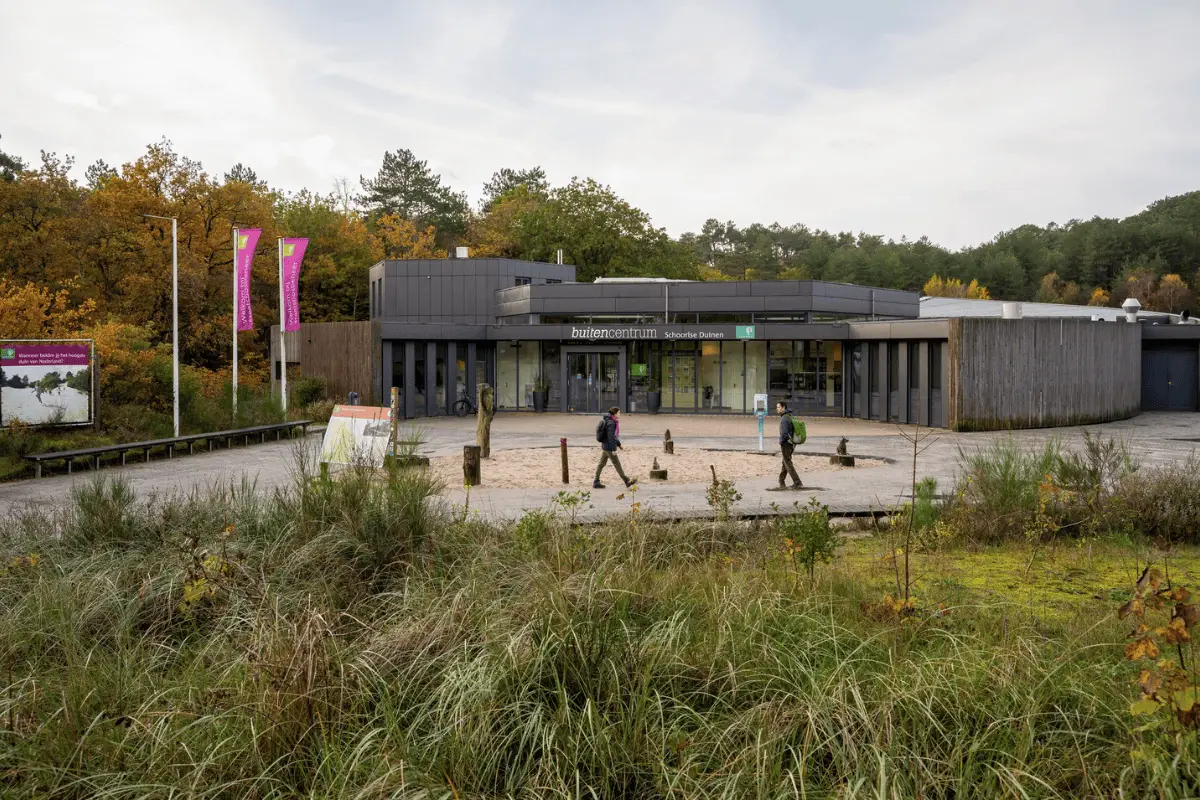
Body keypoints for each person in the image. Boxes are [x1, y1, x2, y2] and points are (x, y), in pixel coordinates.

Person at [594, 406, 637, 489]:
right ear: (615, 413)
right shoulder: (611, 423)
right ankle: (626, 481)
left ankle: (596, 482)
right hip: (609, 447)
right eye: (619, 412)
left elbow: (612, 437)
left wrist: (619, 444)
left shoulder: (608, 420)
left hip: (605, 446)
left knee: (601, 464)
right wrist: (613, 449)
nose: (620, 414)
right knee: (617, 464)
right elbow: (611, 437)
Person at [769, 401, 803, 491]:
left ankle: (797, 482)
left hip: (786, 444)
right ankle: (781, 481)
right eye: (777, 407)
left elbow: (784, 433)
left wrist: (781, 441)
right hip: (791, 443)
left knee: (787, 463)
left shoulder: (784, 418)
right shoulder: (789, 416)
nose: (777, 409)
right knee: (785, 462)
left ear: (784, 407)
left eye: (779, 407)